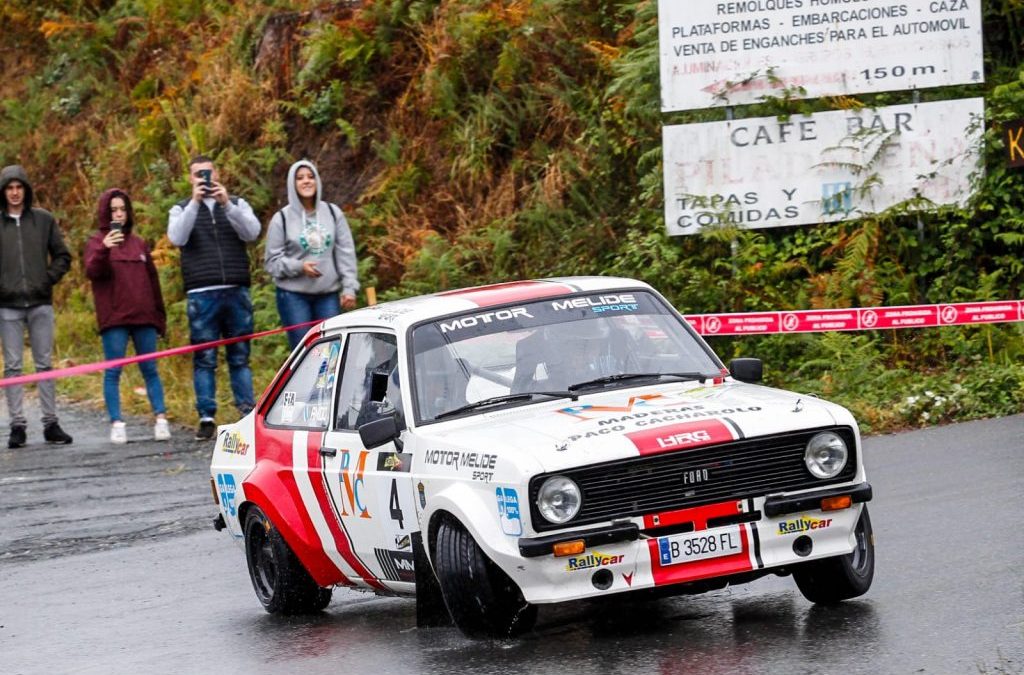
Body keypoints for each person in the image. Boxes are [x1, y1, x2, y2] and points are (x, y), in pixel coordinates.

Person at [167, 155, 261, 440]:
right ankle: (206, 415)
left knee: (240, 356)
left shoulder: (236, 203)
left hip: (236, 287)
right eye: (198, 175)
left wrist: (227, 205)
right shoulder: (181, 208)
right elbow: (177, 238)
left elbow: (252, 232)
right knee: (205, 358)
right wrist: (195, 203)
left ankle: (247, 412)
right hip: (201, 291)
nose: (204, 179)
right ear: (190, 178)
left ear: (217, 173)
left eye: (207, 173)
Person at [85, 188, 170, 444]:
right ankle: (117, 422)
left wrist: (160, 317)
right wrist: (104, 248)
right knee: (113, 371)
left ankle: (161, 418)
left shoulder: (139, 243)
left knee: (150, 369)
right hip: (114, 319)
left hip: (144, 316)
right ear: (105, 213)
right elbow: (92, 272)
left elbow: (153, 282)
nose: (119, 214)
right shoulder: (96, 242)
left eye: (122, 209)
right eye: (114, 210)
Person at [0, 165, 73, 447]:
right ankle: (17, 426)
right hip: (8, 306)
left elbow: (63, 256)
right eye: (10, 188)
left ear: (26, 190)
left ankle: (51, 423)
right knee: (13, 367)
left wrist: (47, 279)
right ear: (4, 192)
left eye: (19, 187)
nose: (15, 193)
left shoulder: (43, 220)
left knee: (45, 364)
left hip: (40, 302)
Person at [264, 159, 359, 349]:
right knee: (304, 352)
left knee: (333, 351)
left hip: (327, 295)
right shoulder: (281, 218)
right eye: (300, 178)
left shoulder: (333, 212)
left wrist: (349, 287)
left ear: (317, 181)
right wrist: (299, 267)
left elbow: (345, 252)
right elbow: (272, 262)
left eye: (310, 176)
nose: (306, 181)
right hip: (293, 297)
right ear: (292, 184)